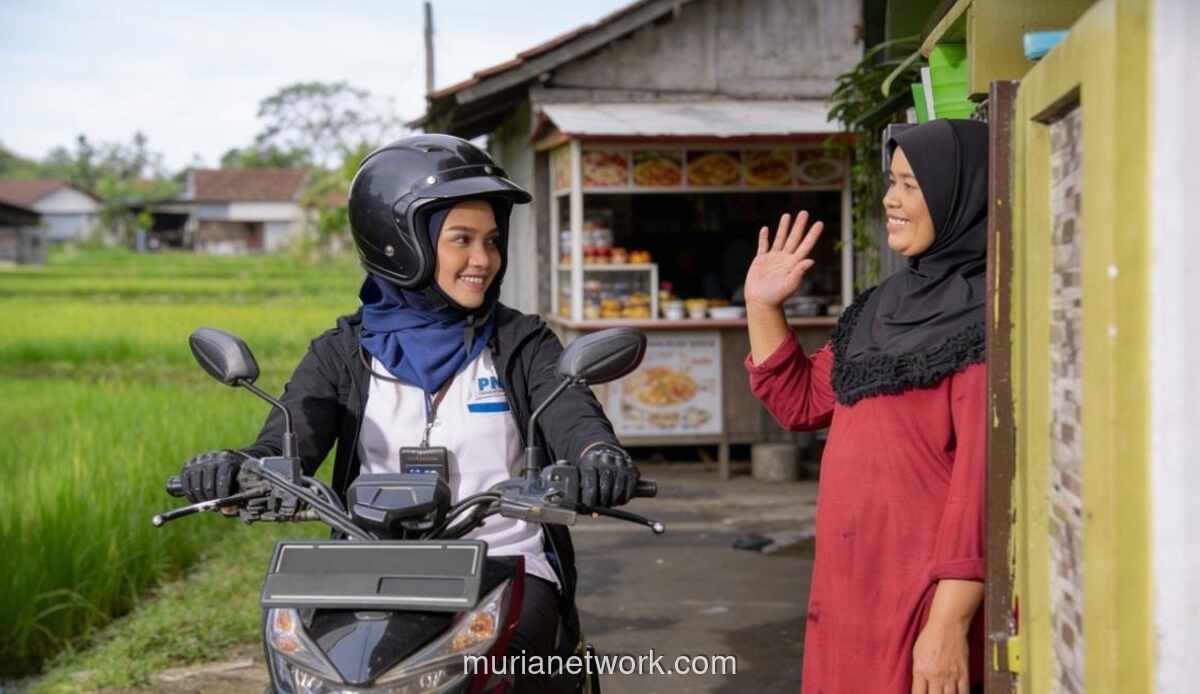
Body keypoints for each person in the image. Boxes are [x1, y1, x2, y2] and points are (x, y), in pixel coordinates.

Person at [178, 134, 641, 692]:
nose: (483, 260)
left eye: (492, 241)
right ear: (401, 244)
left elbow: (573, 416)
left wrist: (598, 458)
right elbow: (288, 437)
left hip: (503, 564)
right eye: (461, 240)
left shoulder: (522, 343)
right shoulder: (342, 352)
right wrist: (238, 468)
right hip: (361, 577)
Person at [742, 119, 988, 694]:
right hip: (849, 582)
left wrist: (949, 623)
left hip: (923, 594)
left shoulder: (984, 317)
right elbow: (801, 402)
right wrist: (761, 306)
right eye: (891, 182)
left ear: (960, 194)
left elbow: (981, 488)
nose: (890, 199)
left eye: (909, 184)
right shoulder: (881, 305)